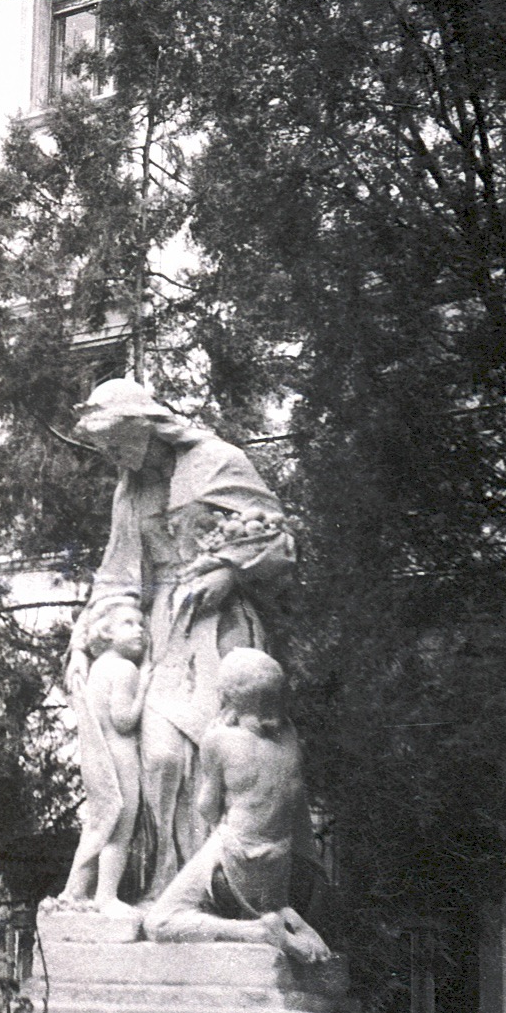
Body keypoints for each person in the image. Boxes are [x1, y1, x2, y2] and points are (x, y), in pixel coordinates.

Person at [68, 378, 296, 899]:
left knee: (221, 748)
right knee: (160, 757)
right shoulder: (129, 490)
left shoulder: (218, 460)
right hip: (159, 634)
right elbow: (117, 573)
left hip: (221, 628)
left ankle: (220, 895)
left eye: (115, 443)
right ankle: (165, 884)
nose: (111, 456)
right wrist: (86, 636)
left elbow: (281, 542)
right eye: (104, 448)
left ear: (145, 425)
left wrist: (230, 571)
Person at [142, 648, 328, 960]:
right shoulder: (289, 737)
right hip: (279, 867)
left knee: (159, 922)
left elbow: (208, 808)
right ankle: (289, 920)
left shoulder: (218, 741)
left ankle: (254, 932)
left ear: (228, 696)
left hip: (236, 862)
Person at [61, 599, 148, 917]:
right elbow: (123, 720)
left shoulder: (97, 668)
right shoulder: (125, 669)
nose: (140, 630)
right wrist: (145, 687)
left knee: (100, 825)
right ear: (106, 631)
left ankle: (76, 890)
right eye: (129, 623)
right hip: (120, 757)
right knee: (120, 830)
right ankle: (106, 896)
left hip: (100, 758)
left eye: (141, 624)